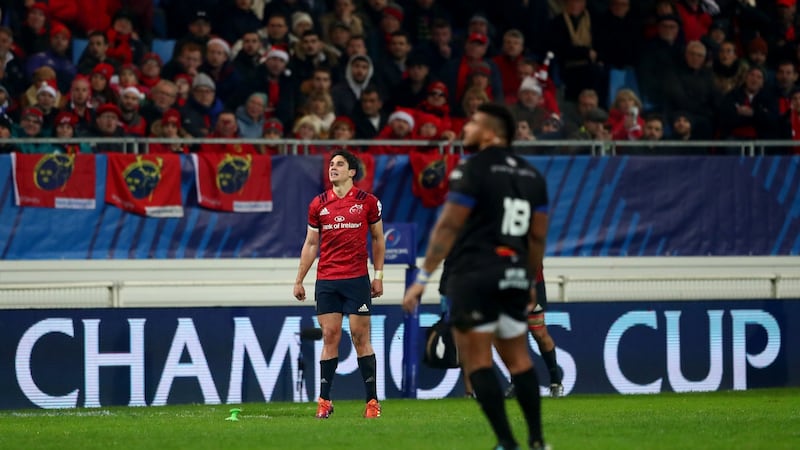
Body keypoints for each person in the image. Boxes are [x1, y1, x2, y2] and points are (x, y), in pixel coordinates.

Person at [402, 103, 549, 450]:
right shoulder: (533, 176)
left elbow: (449, 225)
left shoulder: (471, 168)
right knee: (519, 359)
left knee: (477, 361)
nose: (466, 128)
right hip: (514, 274)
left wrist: (423, 277)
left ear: (491, 133)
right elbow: (537, 238)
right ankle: (537, 440)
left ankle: (506, 441)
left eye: (473, 123)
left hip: (475, 273)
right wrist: (529, 280)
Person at [293, 149, 386, 420]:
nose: (333, 168)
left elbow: (378, 238)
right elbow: (311, 244)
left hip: (356, 279)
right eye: (331, 164)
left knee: (360, 337)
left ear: (352, 172)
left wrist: (378, 276)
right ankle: (324, 401)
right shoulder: (318, 204)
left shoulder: (368, 202)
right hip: (327, 280)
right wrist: (299, 279)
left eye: (339, 164)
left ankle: (372, 402)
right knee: (330, 336)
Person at [505, 268, 564, 399]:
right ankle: (516, 383)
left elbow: (536, 260)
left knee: (539, 333)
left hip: (531, 283)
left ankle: (556, 381)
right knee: (512, 335)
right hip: (507, 284)